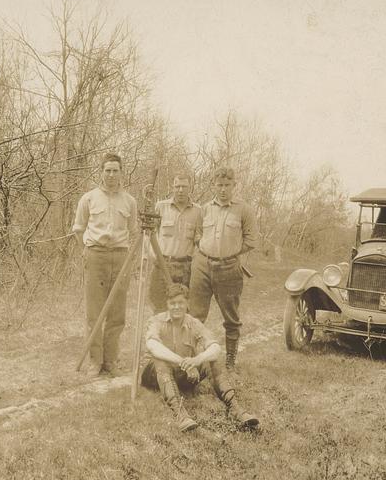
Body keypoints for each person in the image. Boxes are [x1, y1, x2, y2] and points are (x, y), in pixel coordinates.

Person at [141, 283, 259, 432]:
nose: (176, 307)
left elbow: (215, 347)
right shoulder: (157, 321)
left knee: (211, 359)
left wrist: (197, 360)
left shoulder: (194, 323)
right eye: (172, 303)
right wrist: (183, 362)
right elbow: (153, 346)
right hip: (153, 375)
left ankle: (236, 408)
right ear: (167, 304)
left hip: (181, 372)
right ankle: (181, 415)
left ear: (187, 304)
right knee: (160, 360)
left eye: (180, 303)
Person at [72, 153, 138, 376]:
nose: (111, 175)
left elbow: (134, 231)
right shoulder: (88, 198)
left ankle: (111, 360)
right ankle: (95, 361)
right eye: (107, 170)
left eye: (115, 170)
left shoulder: (130, 201)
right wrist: (85, 250)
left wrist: (132, 260)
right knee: (95, 312)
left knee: (117, 313)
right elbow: (78, 228)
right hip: (96, 255)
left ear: (121, 172)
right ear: (101, 172)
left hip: (121, 257)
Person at [188, 166, 257, 370]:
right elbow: (198, 234)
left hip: (229, 268)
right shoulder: (205, 209)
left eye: (227, 185)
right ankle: (192, 358)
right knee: (195, 315)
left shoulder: (244, 210)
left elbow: (251, 240)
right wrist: (205, 249)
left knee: (231, 316)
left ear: (234, 185)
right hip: (201, 266)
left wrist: (231, 252)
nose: (223, 189)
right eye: (219, 185)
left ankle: (230, 360)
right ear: (213, 185)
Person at [148, 173, 202, 312]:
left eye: (184, 186)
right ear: (172, 187)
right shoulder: (161, 207)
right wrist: (153, 255)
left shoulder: (198, 211)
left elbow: (200, 241)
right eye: (177, 186)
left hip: (185, 268)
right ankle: (160, 333)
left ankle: (180, 334)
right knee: (159, 306)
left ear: (190, 188)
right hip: (162, 264)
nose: (180, 190)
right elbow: (148, 234)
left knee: (183, 308)